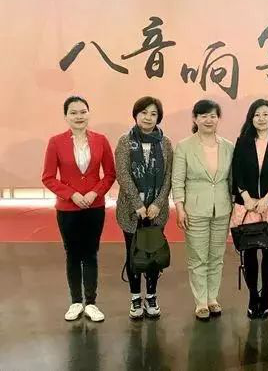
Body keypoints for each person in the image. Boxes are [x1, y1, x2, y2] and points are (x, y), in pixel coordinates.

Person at [42, 96, 116, 322]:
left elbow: (110, 174)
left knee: (91, 253)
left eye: (83, 112)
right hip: (67, 209)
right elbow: (48, 177)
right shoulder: (56, 142)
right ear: (66, 116)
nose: (79, 116)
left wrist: (95, 193)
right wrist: (71, 194)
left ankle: (91, 303)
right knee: (73, 254)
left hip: (95, 207)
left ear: (89, 113)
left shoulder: (101, 140)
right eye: (73, 113)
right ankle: (75, 302)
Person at [172, 99, 234, 321]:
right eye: (204, 116)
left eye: (213, 116)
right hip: (194, 209)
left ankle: (212, 298)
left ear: (219, 119)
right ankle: (200, 301)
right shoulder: (184, 146)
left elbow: (231, 180)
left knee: (216, 257)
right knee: (198, 257)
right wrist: (180, 207)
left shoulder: (228, 146)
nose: (209, 120)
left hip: (222, 209)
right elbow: (177, 180)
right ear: (195, 119)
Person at [230, 99, 268, 319]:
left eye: (265, 114)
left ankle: (265, 296)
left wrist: (266, 199)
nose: (261, 118)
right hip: (246, 205)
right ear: (251, 118)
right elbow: (237, 171)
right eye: (257, 114)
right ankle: (252, 296)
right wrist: (246, 197)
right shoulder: (242, 142)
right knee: (248, 252)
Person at [115, 96, 173, 319]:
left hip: (157, 212)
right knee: (133, 254)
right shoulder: (125, 141)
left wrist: (158, 203)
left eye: (153, 114)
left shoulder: (165, 142)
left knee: (153, 253)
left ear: (159, 117)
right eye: (144, 113)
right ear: (136, 115)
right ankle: (135, 298)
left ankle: (151, 296)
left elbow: (168, 176)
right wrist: (138, 205)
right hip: (131, 211)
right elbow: (122, 174)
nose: (148, 117)